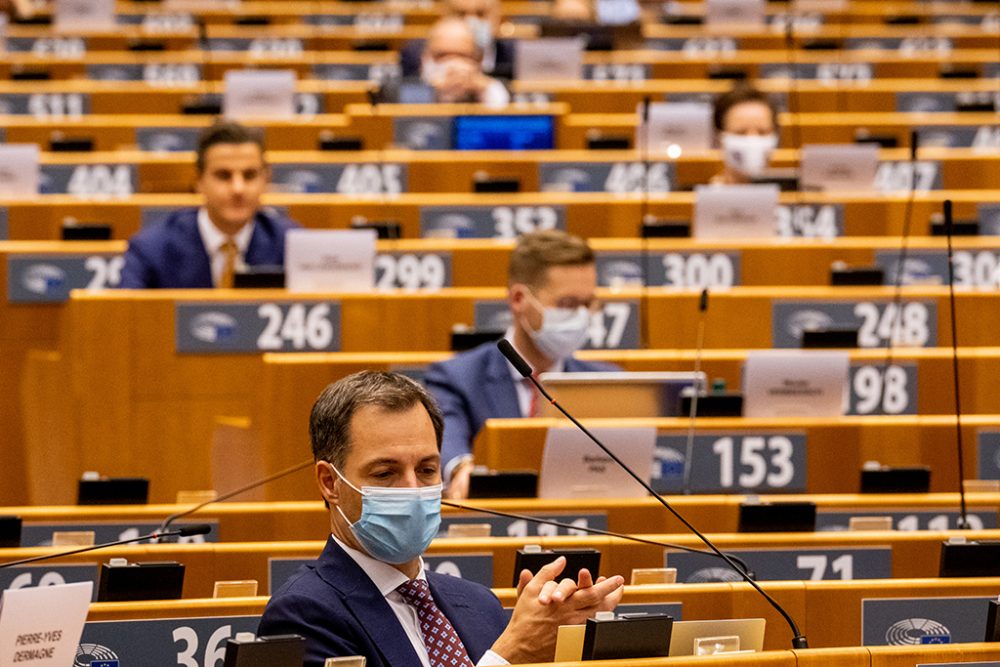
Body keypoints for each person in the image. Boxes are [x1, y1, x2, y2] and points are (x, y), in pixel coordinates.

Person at [258, 371, 625, 667]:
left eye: (427, 469)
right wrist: (509, 656)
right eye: (385, 473)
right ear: (330, 483)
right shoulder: (304, 615)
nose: (412, 488)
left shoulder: (479, 604)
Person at [424, 231, 616, 499]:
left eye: (587, 304)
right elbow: (449, 445)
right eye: (568, 304)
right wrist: (461, 470)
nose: (581, 317)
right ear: (518, 300)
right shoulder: (456, 379)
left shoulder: (609, 384)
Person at [119, 121, 299, 288]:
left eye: (249, 175)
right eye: (223, 175)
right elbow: (128, 317)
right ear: (198, 181)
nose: (238, 189)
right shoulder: (151, 250)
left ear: (266, 179)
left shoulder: (292, 244)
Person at [389, 17, 510, 107]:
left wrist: (485, 89)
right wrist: (433, 89)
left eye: (462, 56)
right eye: (442, 56)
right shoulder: (396, 92)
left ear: (478, 60)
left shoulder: (498, 88)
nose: (452, 65)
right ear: (425, 58)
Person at [400, 0, 515, 80]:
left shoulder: (514, 55)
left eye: (480, 13)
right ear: (445, 16)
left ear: (497, 17)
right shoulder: (416, 53)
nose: (471, 21)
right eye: (461, 13)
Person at [710, 85, 780, 185]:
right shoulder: (691, 198)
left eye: (762, 132)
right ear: (719, 138)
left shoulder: (789, 197)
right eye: (740, 132)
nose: (753, 140)